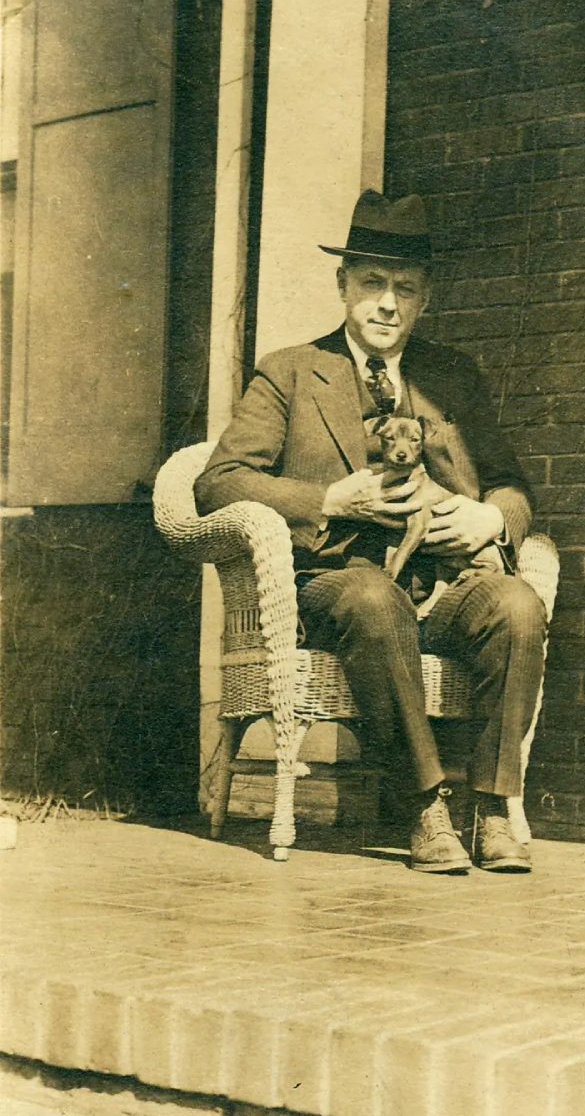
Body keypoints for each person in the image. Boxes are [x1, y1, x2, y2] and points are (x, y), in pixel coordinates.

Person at [195, 190, 546, 874]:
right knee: (370, 597)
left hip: (443, 588)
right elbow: (219, 482)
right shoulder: (291, 371)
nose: (388, 303)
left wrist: (491, 517)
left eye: (405, 289)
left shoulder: (454, 377)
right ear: (344, 286)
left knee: (518, 605)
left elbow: (513, 485)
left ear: (425, 299)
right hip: (334, 590)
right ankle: (424, 807)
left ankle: (494, 808)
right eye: (373, 284)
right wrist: (331, 498)